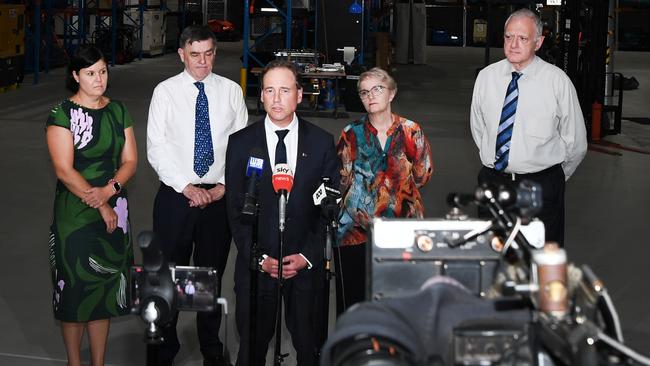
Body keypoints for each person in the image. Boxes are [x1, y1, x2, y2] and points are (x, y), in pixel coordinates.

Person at [225, 60, 340, 366]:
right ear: (260, 96)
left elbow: (329, 209)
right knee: (251, 349)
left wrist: (308, 255)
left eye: (285, 90)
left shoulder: (322, 143)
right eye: (269, 90)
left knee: (309, 347)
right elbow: (236, 210)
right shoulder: (240, 144)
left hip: (304, 267)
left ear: (300, 95)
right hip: (257, 268)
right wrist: (259, 258)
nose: (276, 99)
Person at [146, 25, 248, 366]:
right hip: (177, 194)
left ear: (215, 54)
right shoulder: (165, 92)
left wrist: (223, 187)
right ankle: (165, 345)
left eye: (208, 54)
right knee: (168, 275)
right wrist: (186, 187)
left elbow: (240, 146)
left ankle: (210, 347)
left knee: (209, 275)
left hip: (218, 198)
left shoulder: (231, 92)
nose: (202, 62)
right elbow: (156, 147)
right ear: (181, 55)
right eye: (194, 55)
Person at [46, 44, 137, 366]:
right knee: (74, 289)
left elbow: (130, 160)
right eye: (90, 73)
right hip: (76, 213)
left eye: (102, 71)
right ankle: (75, 362)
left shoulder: (118, 110)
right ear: (75, 76)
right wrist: (100, 203)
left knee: (104, 289)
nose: (98, 79)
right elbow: (64, 170)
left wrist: (110, 191)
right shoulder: (62, 114)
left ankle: (98, 362)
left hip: (114, 206)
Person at [470, 8, 587, 246]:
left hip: (540, 186)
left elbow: (575, 142)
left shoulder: (557, 82)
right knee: (492, 255)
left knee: (541, 259)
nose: (513, 44)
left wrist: (552, 178)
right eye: (508, 37)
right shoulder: (486, 77)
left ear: (538, 42)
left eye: (522, 38)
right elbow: (479, 128)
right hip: (494, 182)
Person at [335, 67, 433, 315]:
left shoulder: (411, 131)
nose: (370, 95)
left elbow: (422, 176)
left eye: (377, 89)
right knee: (354, 305)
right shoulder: (350, 134)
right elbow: (341, 180)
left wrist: (392, 194)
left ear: (391, 93)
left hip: (401, 229)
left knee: (399, 303)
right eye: (364, 92)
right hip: (355, 232)